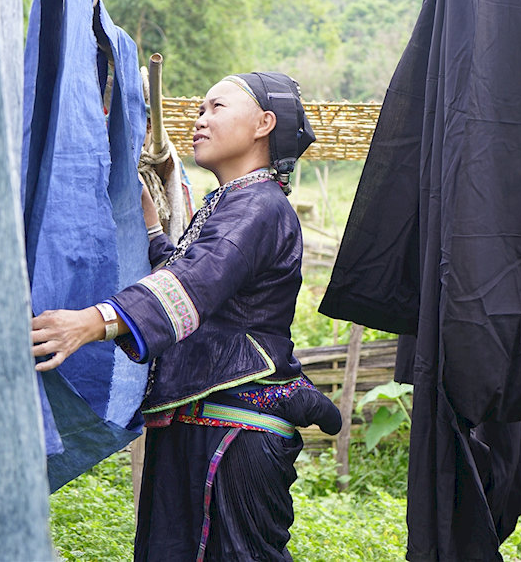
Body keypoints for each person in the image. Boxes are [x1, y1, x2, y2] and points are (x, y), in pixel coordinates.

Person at [31, 72, 341, 561]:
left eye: (217, 107)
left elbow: (196, 283)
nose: (200, 120)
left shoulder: (260, 207)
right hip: (200, 425)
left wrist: (94, 321)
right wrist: (154, 230)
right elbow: (196, 271)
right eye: (200, 110)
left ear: (264, 123)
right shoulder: (232, 204)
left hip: (233, 439)